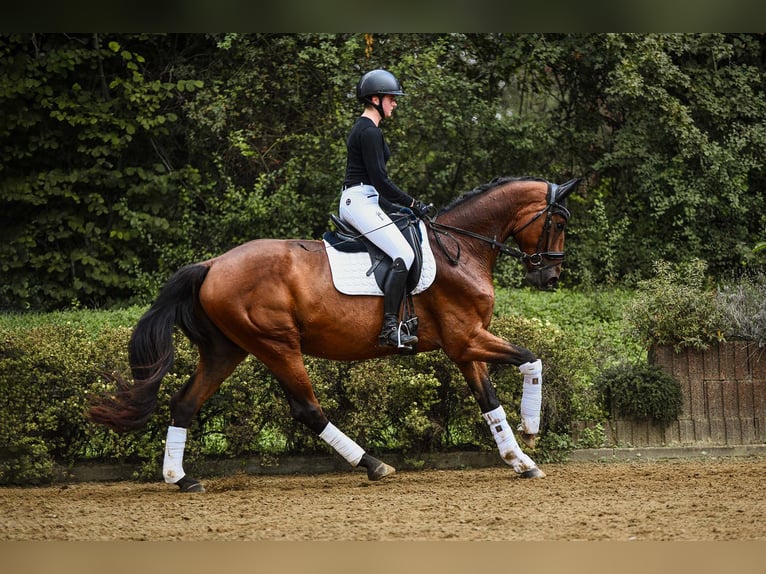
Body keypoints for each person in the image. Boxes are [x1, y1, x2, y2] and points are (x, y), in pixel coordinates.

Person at [339, 69, 430, 348]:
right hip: (358, 201)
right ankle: (390, 328)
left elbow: (375, 186)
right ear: (376, 99)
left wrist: (401, 208)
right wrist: (413, 203)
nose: (395, 103)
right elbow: (380, 180)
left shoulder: (369, 130)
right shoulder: (368, 131)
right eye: (392, 98)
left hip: (366, 199)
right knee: (403, 253)